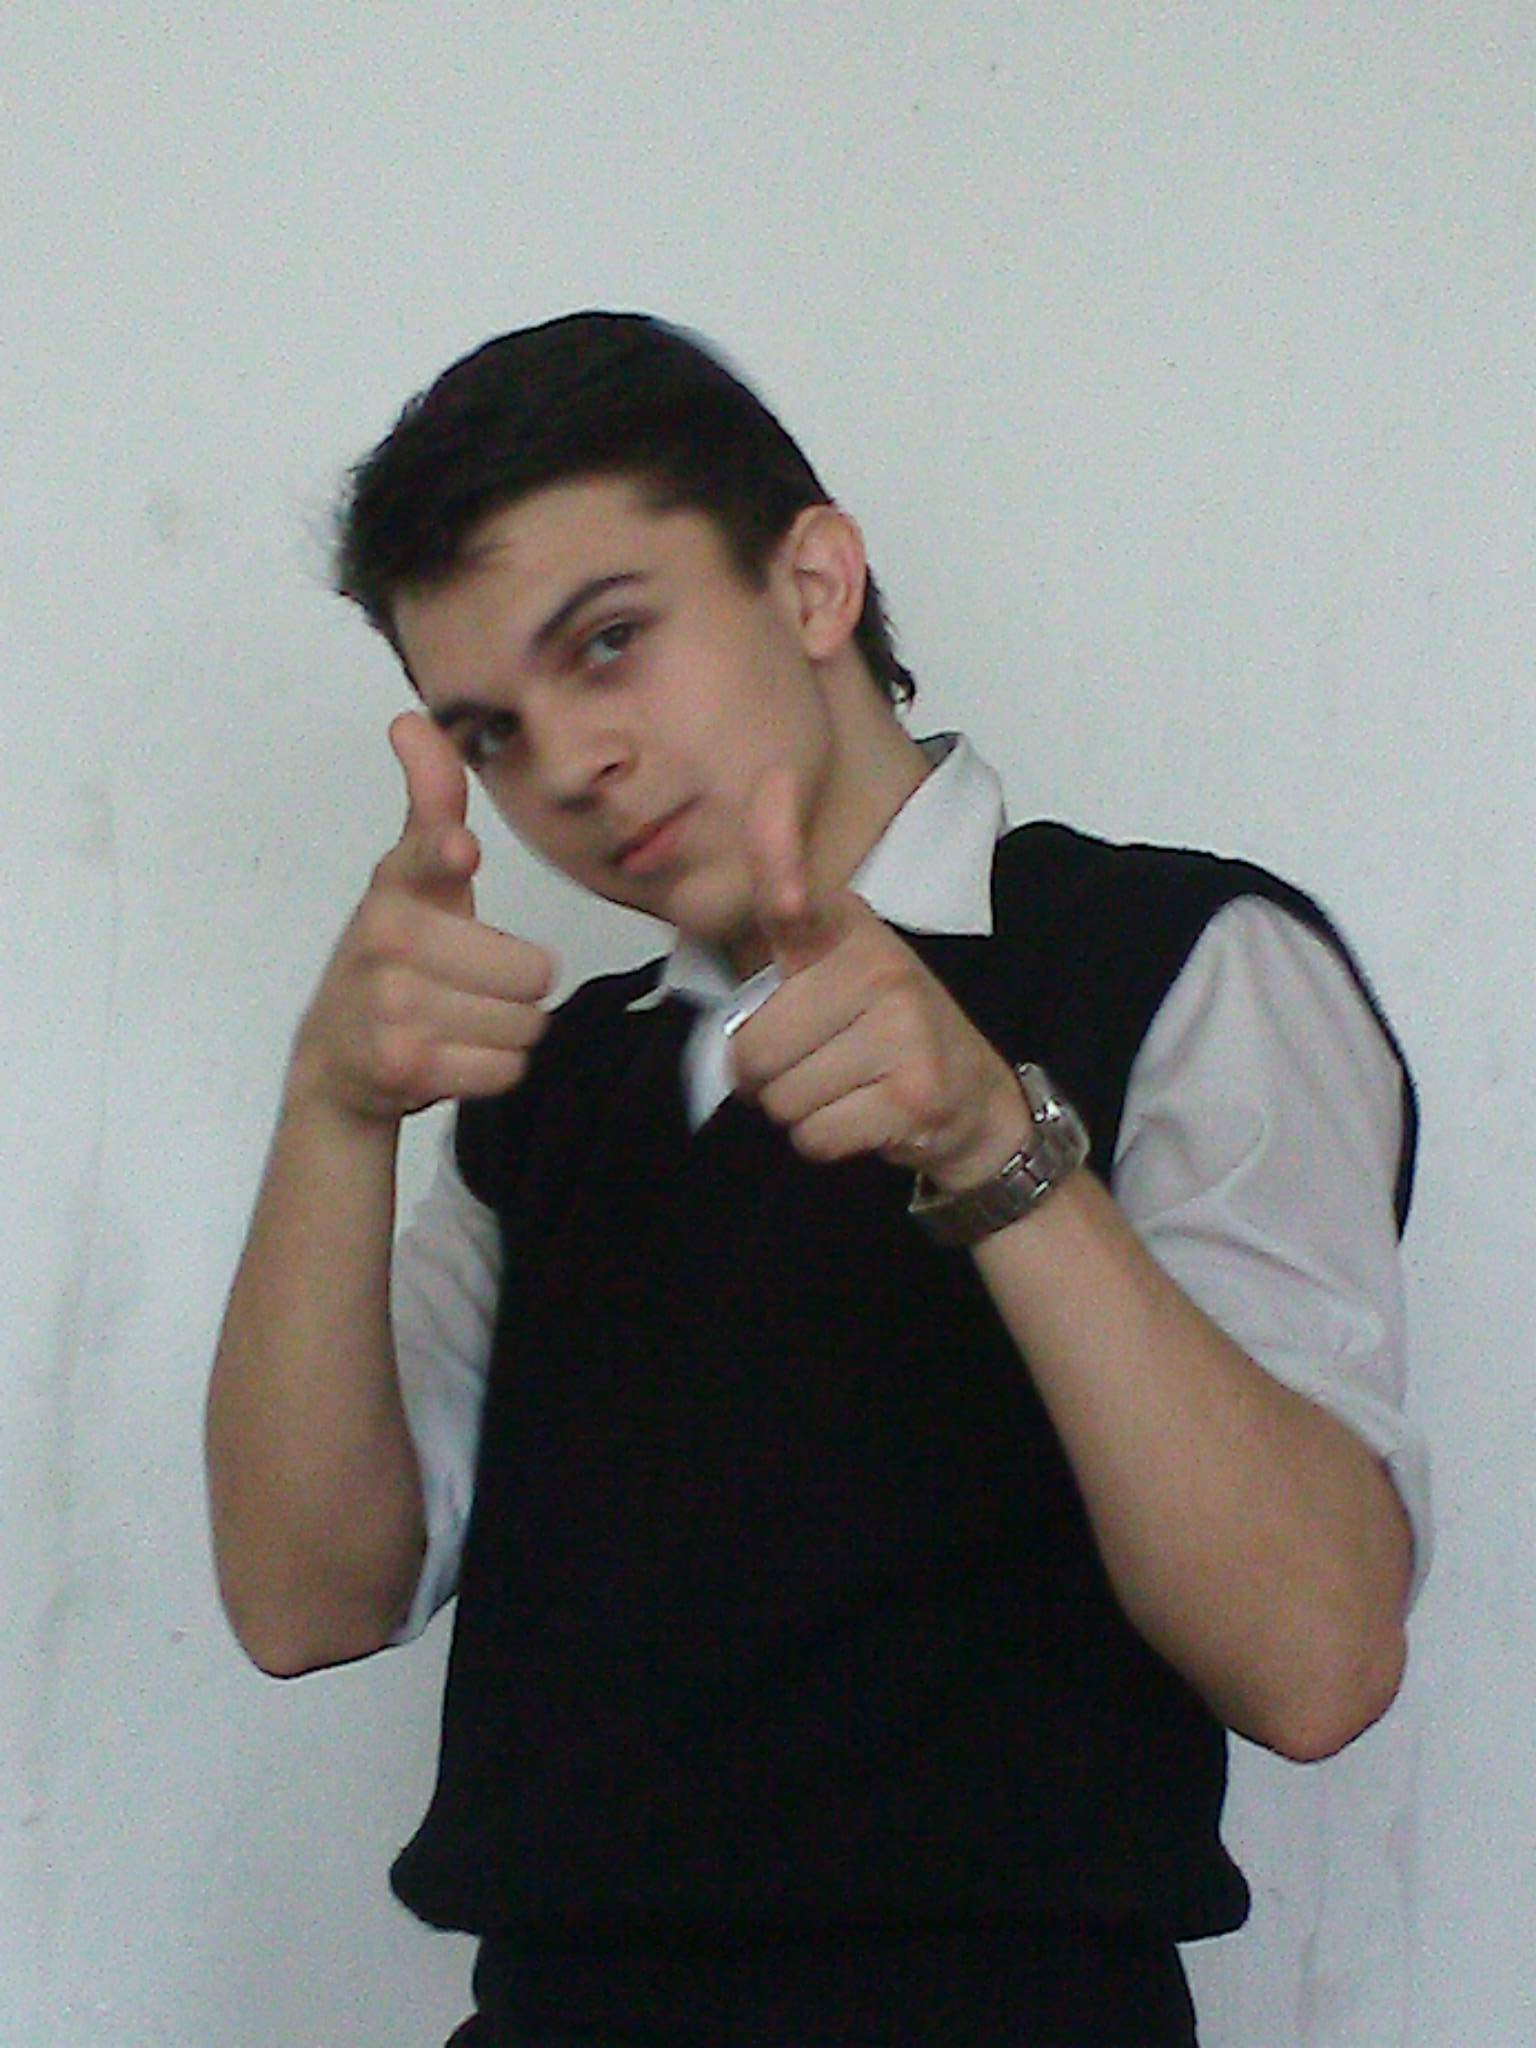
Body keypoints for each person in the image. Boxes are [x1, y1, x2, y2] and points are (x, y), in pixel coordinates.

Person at [205, 312, 1428, 2048]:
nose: (567, 765)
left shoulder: (1177, 957)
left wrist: (996, 1152)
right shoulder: (550, 1092)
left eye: (610, 642)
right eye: (488, 731)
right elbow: (302, 1601)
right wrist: (335, 1110)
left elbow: (1315, 1662)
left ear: (814, 583)